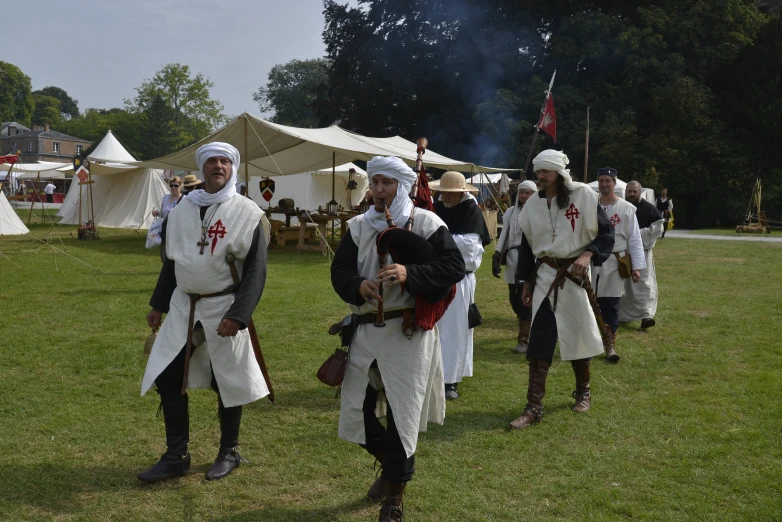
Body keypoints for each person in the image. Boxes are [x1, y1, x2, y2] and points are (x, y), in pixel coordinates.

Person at [330, 156, 465, 521]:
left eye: (387, 183)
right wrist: (358, 285)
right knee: (356, 411)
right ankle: (393, 468)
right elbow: (339, 271)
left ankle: (393, 499)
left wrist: (411, 272)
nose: (378, 190)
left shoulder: (426, 222)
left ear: (401, 186)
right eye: (374, 183)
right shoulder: (358, 226)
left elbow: (454, 267)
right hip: (365, 332)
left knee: (401, 416)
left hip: (406, 331)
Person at [139, 142, 270, 483]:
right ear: (202, 167)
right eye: (211, 160)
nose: (218, 166)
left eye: (225, 161)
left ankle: (229, 451)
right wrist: (159, 304)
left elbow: (255, 271)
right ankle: (176, 455)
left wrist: (238, 315)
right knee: (168, 375)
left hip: (224, 306)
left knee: (226, 378)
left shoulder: (248, 213)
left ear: (233, 168)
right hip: (184, 305)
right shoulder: (182, 209)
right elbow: (172, 262)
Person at [510, 150, 614, 430]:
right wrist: (526, 282)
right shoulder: (532, 205)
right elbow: (527, 247)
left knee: (578, 334)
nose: (541, 176)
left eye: (546, 171)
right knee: (539, 341)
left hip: (574, 277)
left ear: (559, 172)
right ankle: (533, 408)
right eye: (539, 171)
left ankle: (584, 392)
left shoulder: (584, 196)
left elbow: (606, 235)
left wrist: (587, 255)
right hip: (545, 277)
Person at [432, 171, 491, 400]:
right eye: (443, 192)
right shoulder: (436, 208)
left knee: (455, 331)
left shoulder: (470, 211)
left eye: (451, 193)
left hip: (459, 279)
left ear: (461, 193)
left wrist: (437, 240)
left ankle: (450, 380)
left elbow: (469, 246)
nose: (446, 197)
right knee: (433, 326)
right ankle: (432, 373)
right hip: (434, 277)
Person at [591, 167, 645, 362]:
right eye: (601, 180)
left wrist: (636, 267)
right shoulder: (588, 204)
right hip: (589, 261)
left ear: (615, 183)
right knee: (587, 304)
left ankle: (610, 346)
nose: (604, 184)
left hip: (614, 262)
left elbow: (635, 239)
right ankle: (588, 344)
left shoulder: (627, 209)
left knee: (610, 305)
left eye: (608, 181)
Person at [493, 179, 538, 354]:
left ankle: (524, 340)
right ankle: (527, 324)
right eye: (522, 192)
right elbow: (504, 234)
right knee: (514, 297)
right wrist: (497, 254)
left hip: (532, 258)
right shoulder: (511, 212)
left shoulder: (540, 211)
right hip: (512, 257)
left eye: (528, 193)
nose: (524, 196)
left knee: (526, 297)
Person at [620, 181, 664, 328]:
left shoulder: (649, 209)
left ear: (640, 192)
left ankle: (646, 315)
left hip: (642, 252)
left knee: (643, 283)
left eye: (634, 191)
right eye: (629, 191)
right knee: (624, 284)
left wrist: (635, 236)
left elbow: (657, 228)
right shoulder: (622, 207)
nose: (631, 194)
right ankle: (623, 316)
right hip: (624, 253)